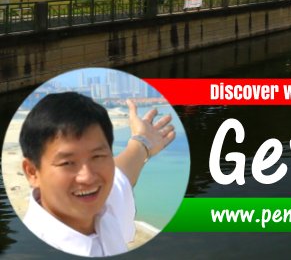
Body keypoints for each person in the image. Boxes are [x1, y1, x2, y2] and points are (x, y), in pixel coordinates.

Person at [19, 93, 175, 257]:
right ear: (32, 172)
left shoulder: (103, 207)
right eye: (67, 163)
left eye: (97, 156)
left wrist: (143, 141)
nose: (87, 177)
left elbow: (123, 173)